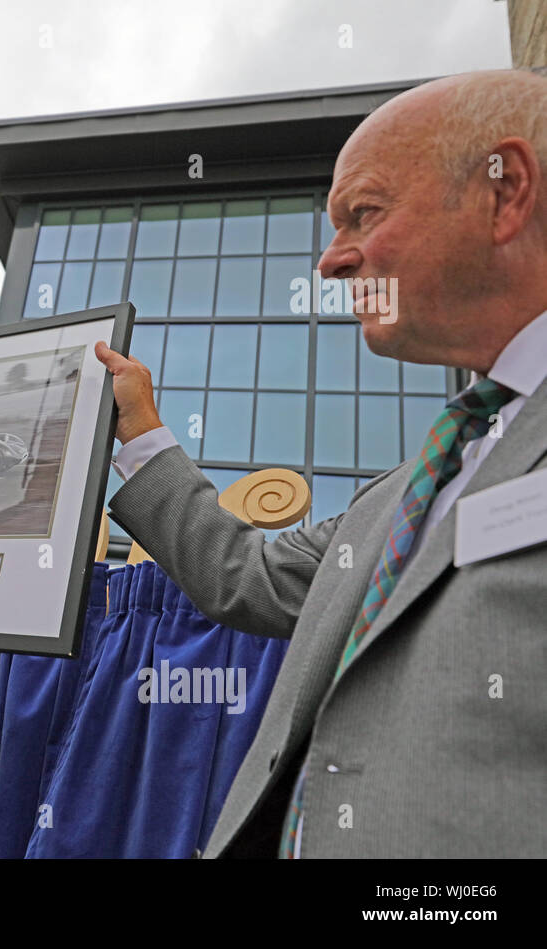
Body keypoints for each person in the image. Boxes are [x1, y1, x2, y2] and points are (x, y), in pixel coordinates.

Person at [97, 68, 547, 858]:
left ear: (504, 191)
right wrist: (142, 434)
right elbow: (249, 575)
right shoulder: (405, 493)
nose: (332, 263)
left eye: (361, 215)